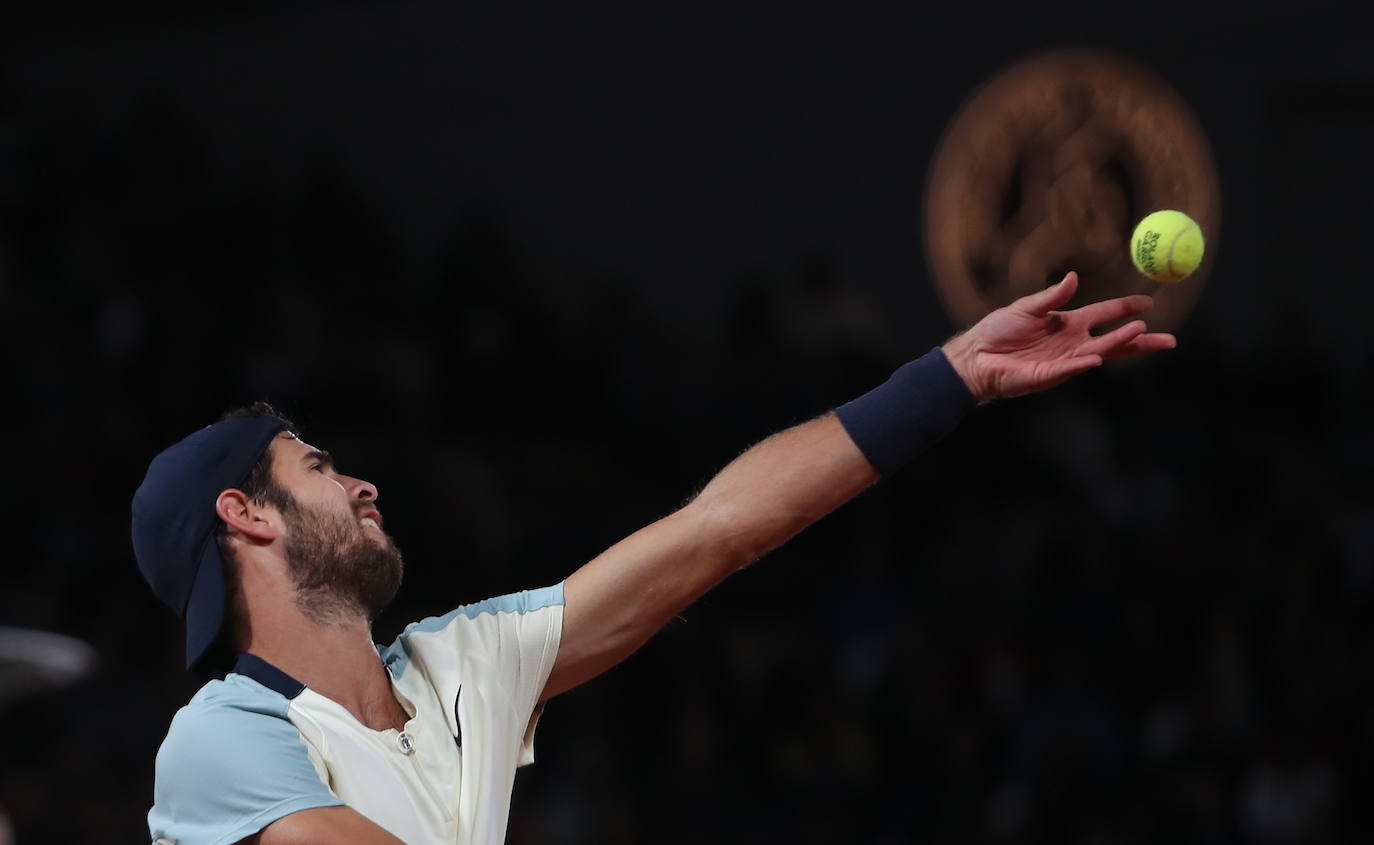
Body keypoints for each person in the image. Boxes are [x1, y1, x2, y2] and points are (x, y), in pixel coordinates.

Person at [133, 272, 1173, 845]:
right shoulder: (220, 739)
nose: (362, 484)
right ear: (246, 514)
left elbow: (720, 525)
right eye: (316, 466)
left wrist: (952, 376)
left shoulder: (459, 662)